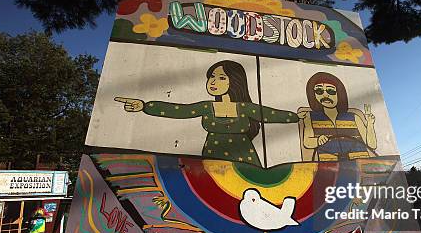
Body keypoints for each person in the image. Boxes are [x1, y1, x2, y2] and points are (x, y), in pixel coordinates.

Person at [115, 60, 300, 167]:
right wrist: (145, 106)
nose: (213, 82)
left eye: (221, 78)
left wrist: (298, 116)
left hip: (245, 160)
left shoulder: (244, 108)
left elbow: (272, 114)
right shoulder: (206, 107)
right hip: (212, 158)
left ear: (234, 81)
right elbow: (179, 111)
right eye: (212, 76)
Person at [300, 72, 377, 161]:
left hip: (360, 164)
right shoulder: (310, 117)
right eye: (319, 91)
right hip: (330, 168)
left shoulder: (354, 117)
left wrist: (370, 124)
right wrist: (317, 140)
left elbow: (372, 145)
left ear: (339, 94)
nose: (325, 95)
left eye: (331, 91)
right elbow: (307, 142)